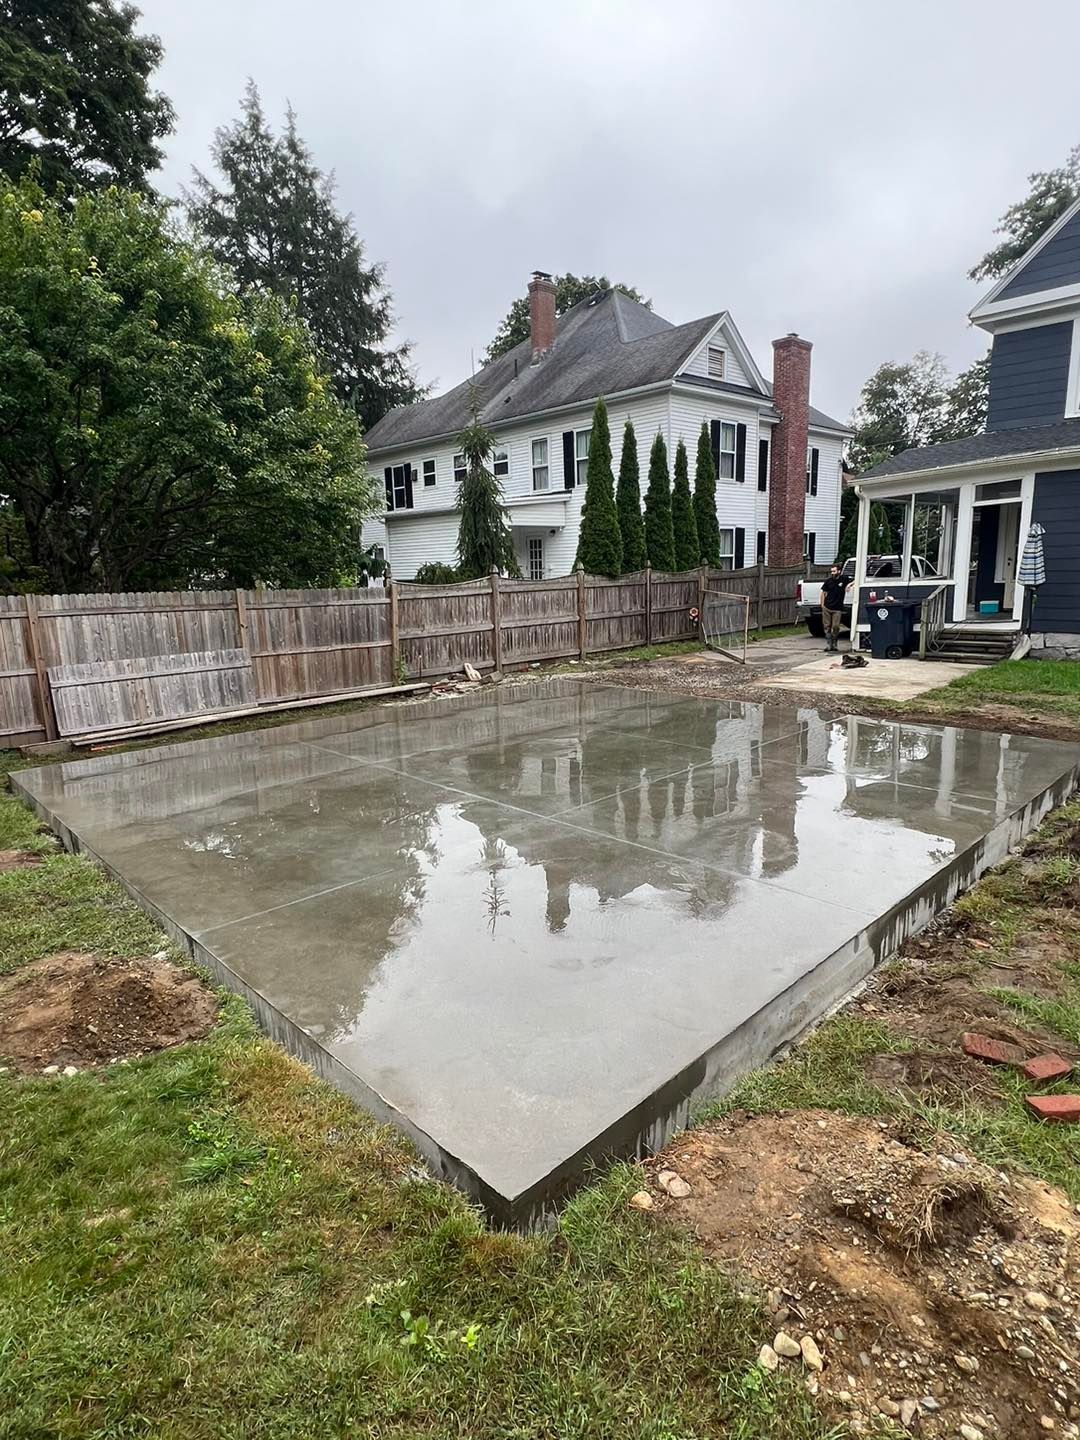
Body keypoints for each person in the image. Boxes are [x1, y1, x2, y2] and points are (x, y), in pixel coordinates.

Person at [820, 564, 847, 652]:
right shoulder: (828, 581)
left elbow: (856, 580)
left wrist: (849, 585)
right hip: (827, 607)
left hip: (837, 608)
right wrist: (822, 604)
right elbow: (823, 592)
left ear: (839, 571)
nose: (832, 573)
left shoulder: (843, 579)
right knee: (827, 626)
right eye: (831, 571)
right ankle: (829, 644)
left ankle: (835, 642)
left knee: (835, 626)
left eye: (834, 571)